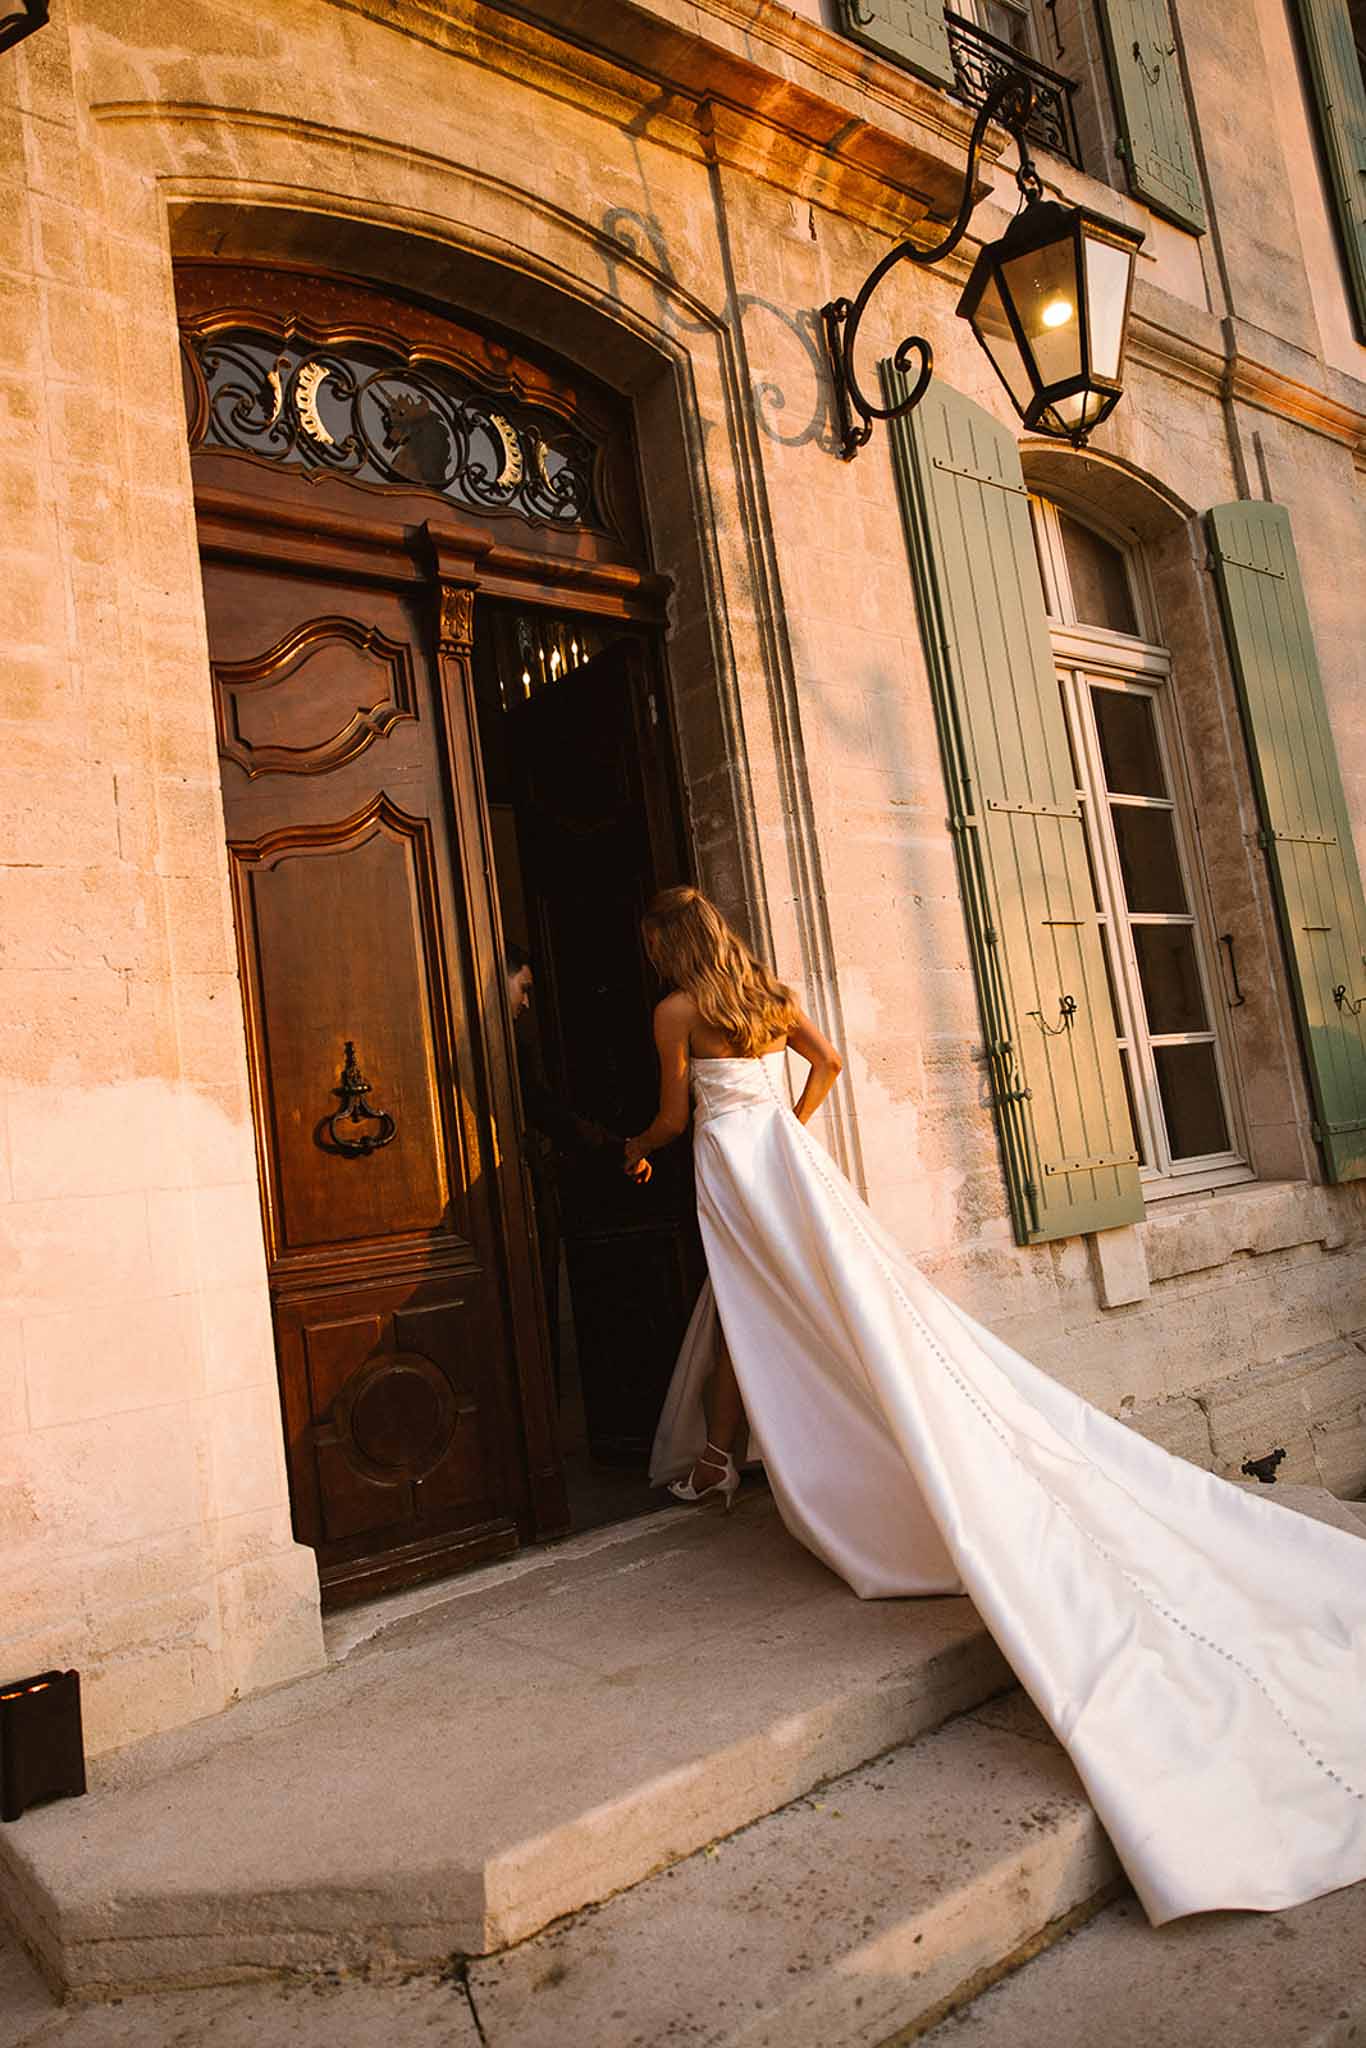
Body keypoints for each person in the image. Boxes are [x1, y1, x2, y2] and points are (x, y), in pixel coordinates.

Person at [622, 884, 1366, 1929]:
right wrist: (784, 1127)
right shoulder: (767, 992)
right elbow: (831, 1064)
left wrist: (637, 1146)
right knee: (826, 1314)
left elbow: (671, 1110)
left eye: (649, 941)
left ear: (666, 943)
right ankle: (725, 1452)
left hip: (732, 1171)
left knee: (759, 1310)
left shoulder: (669, 1011)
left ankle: (732, 1456)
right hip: (785, 1163)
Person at [506, 942, 619, 1390]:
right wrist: (615, 1146)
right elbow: (543, 1107)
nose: (527, 1001)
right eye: (524, 988)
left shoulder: (512, 1039)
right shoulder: (504, 1046)